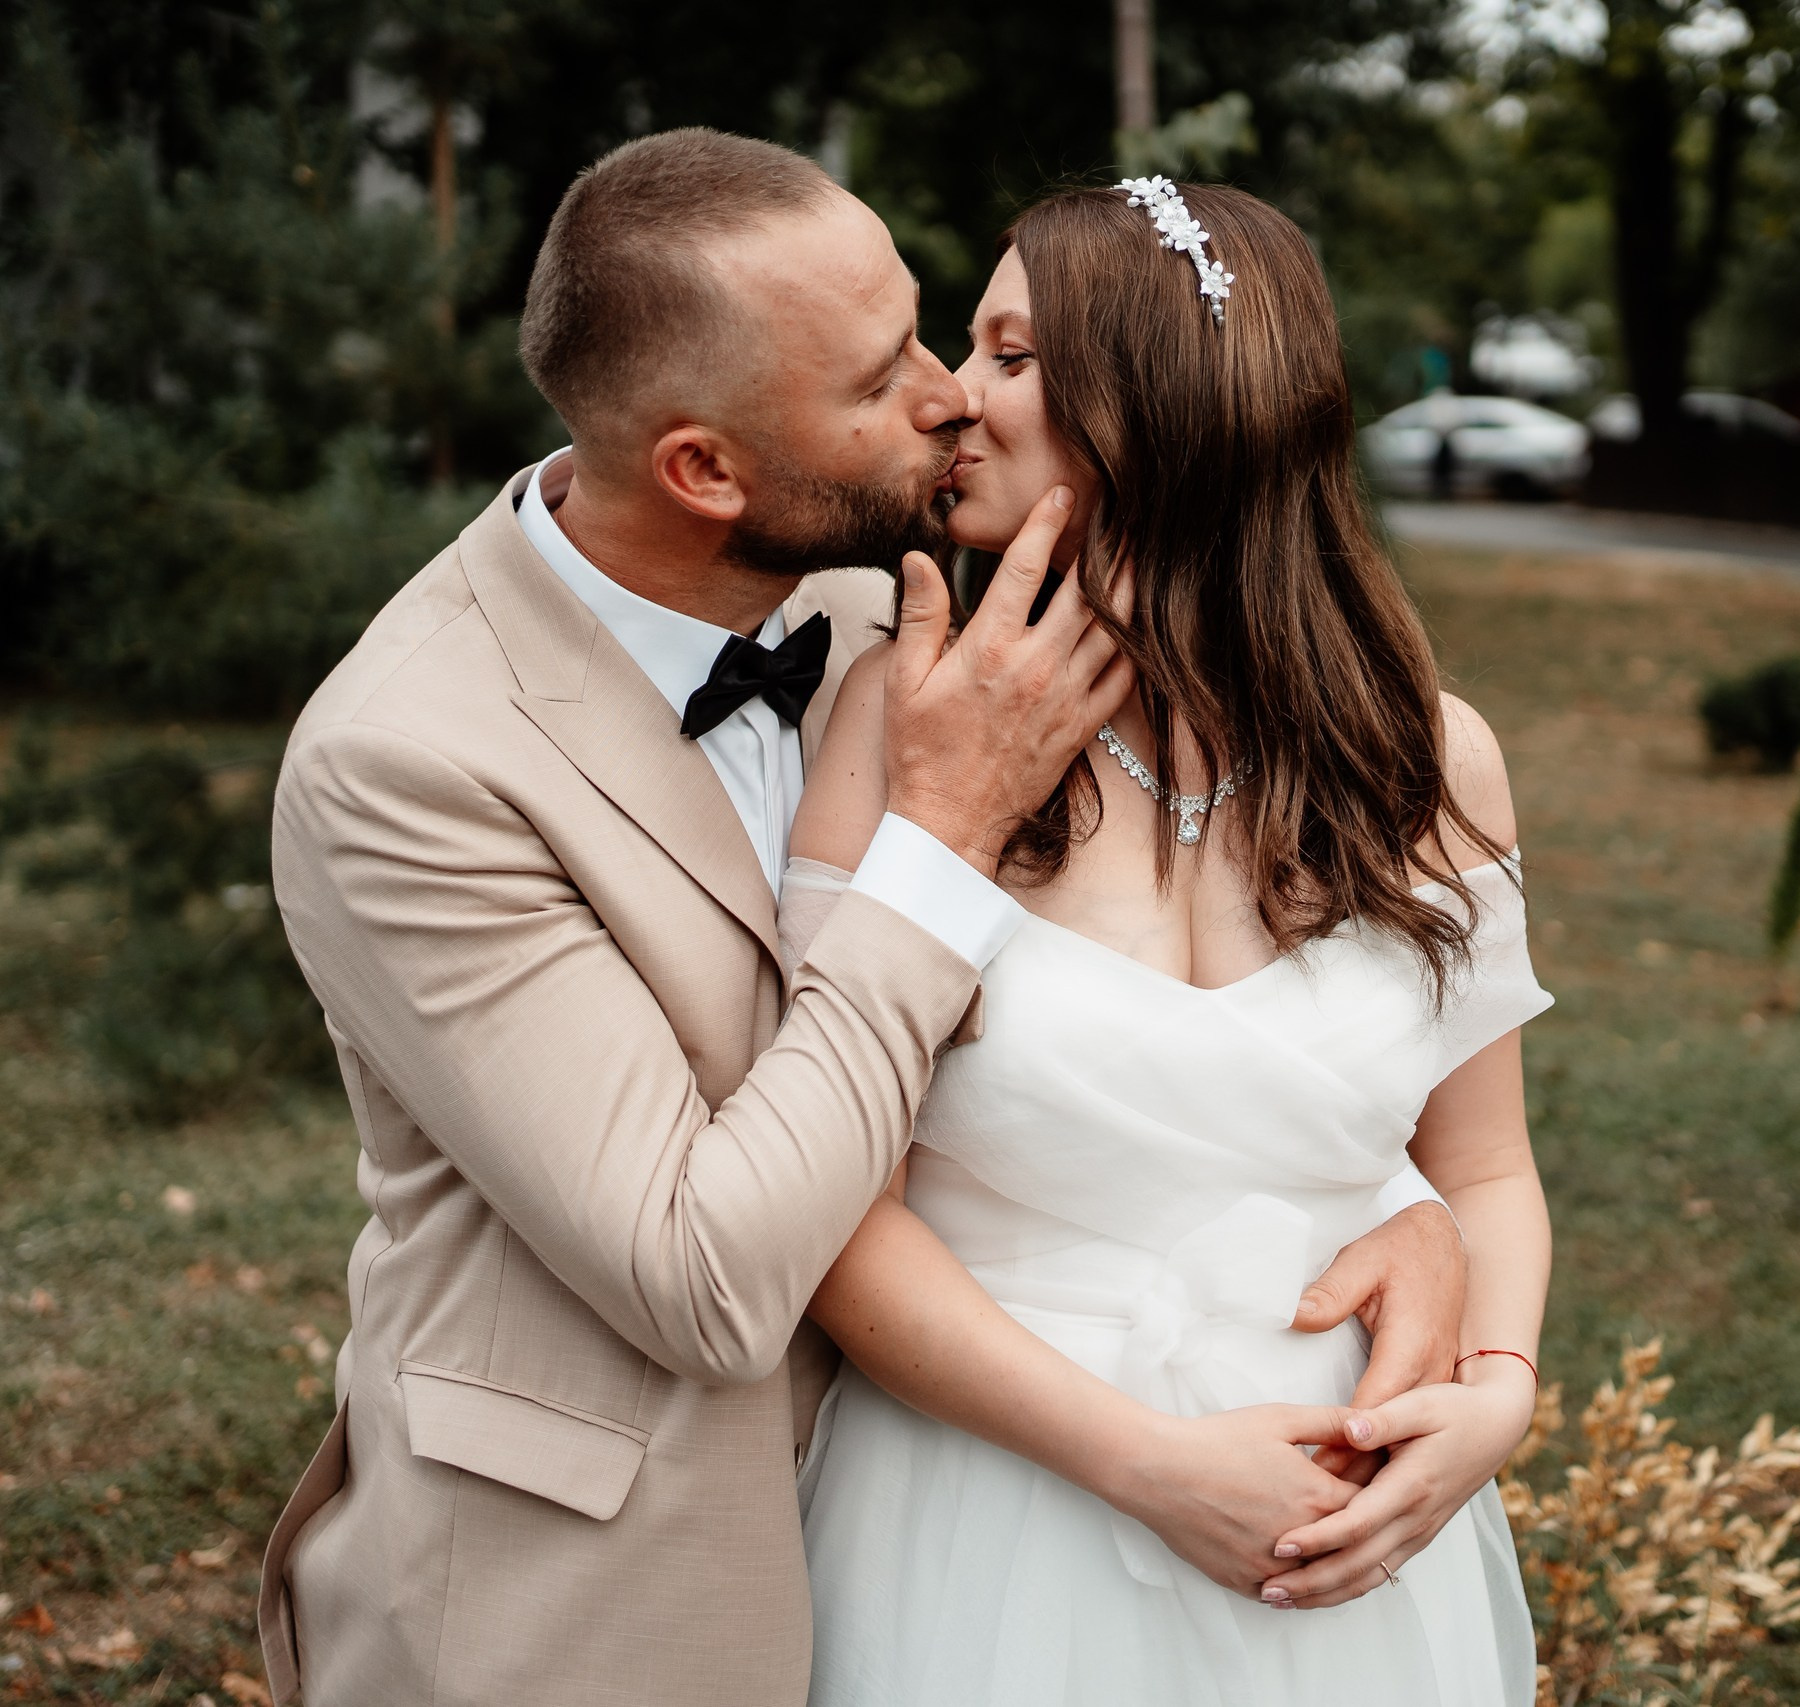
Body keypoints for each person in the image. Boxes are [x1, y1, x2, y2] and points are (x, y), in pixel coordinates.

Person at [257, 132, 1466, 1707]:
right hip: (593, 1590)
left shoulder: (891, 612)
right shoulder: (409, 764)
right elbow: (701, 1276)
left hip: (972, 1516)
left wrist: (1393, 1197)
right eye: (879, 375)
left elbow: (1181, 966)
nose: (948, 393)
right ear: (706, 470)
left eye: (923, 323)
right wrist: (942, 843)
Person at [784, 179, 1553, 1705]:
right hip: (992, 1516)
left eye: (1010, 357)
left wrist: (1497, 1398)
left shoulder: (1427, 759)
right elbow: (831, 1214)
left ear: (1152, 408)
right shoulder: (898, 719)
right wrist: (1144, 1467)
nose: (952, 397)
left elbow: (1485, 1169)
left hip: (1348, 1534)